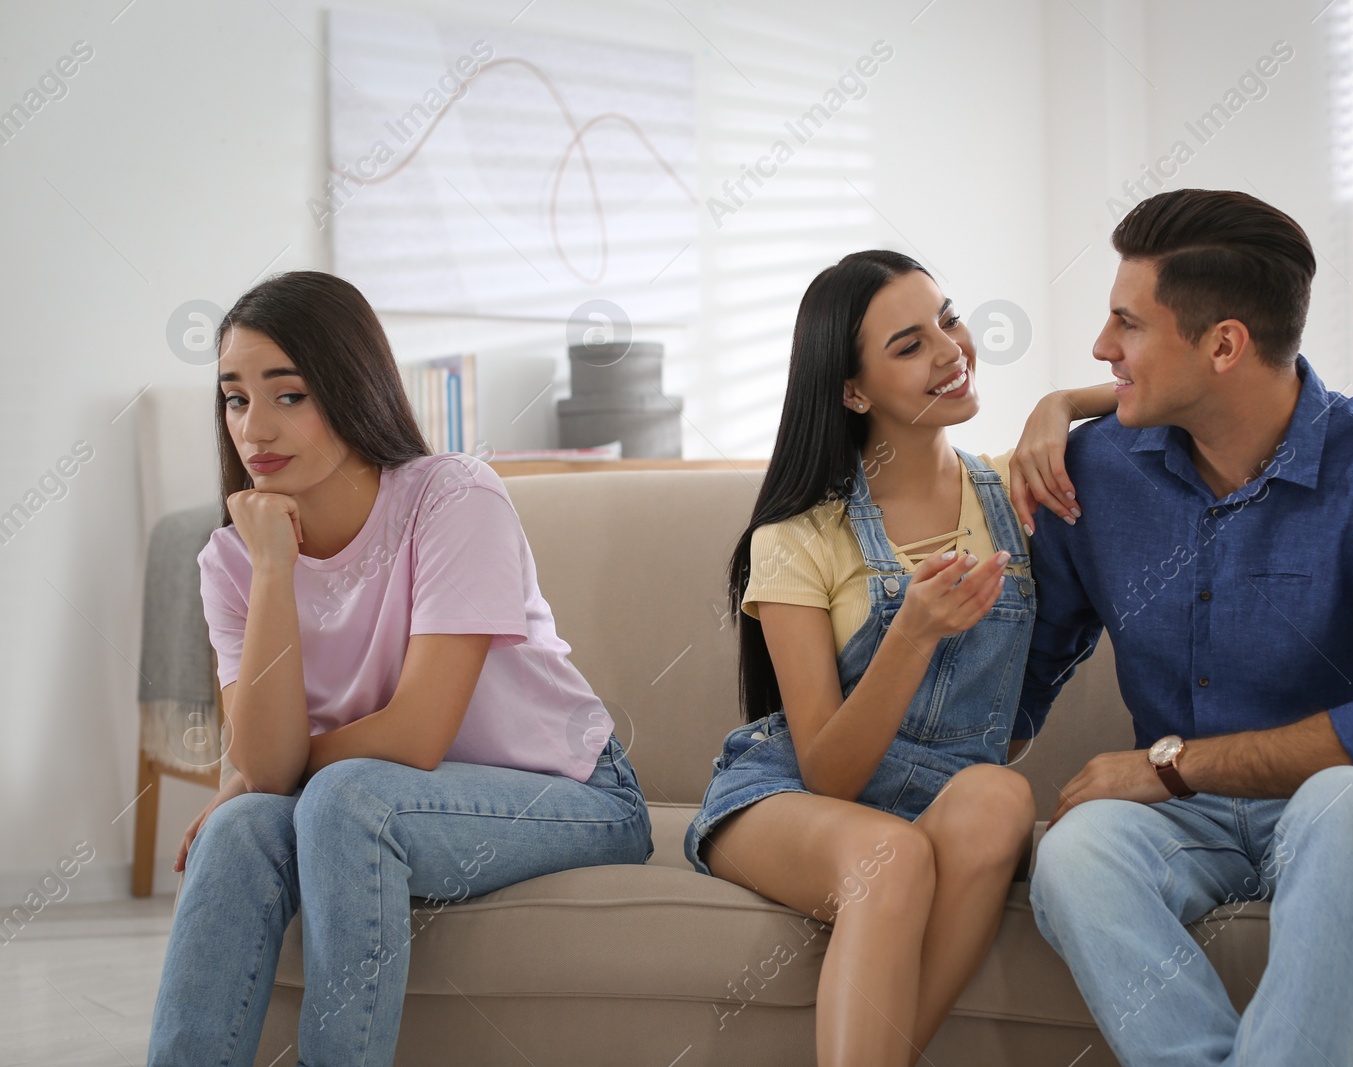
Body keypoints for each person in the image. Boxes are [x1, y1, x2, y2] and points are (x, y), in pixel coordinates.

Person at [1018, 189, 1353, 1066]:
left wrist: (1177, 765)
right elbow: (1019, 678)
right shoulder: (1096, 471)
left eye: (1127, 323)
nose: (1100, 347)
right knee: (1077, 850)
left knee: (1344, 805)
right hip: (1186, 824)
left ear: (1225, 344)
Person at [146, 271, 652, 1066]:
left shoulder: (453, 497)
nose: (255, 428)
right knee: (239, 829)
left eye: (290, 394)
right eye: (235, 398)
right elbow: (266, 770)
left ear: (351, 387)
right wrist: (274, 569)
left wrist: (262, 770)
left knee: (341, 798)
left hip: (573, 793)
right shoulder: (231, 560)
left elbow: (414, 736)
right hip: (374, 795)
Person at [683, 249, 1116, 1066]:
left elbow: (1157, 399)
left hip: (939, 798)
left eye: (949, 319)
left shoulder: (1016, 494)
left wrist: (1061, 400)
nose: (950, 350)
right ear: (853, 391)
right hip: (791, 799)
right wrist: (911, 634)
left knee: (1000, 795)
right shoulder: (799, 537)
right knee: (892, 856)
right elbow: (830, 773)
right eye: (909, 345)